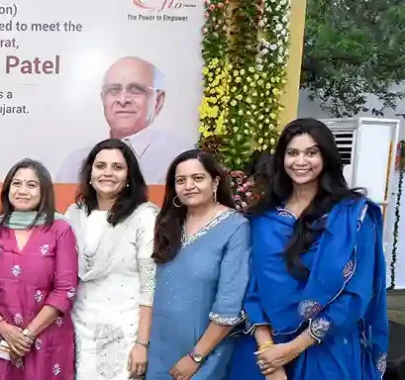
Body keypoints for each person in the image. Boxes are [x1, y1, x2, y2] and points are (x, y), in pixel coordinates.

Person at [229, 118, 389, 380]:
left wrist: (292, 349)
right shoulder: (263, 218)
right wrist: (271, 354)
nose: (300, 161)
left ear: (326, 157)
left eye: (311, 152)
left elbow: (356, 294)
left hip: (326, 352)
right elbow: (251, 287)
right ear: (281, 159)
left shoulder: (353, 216)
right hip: (263, 355)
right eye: (292, 153)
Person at [144, 149, 251, 380]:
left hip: (204, 353)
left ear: (215, 181)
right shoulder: (167, 224)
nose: (188, 185)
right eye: (181, 180)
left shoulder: (235, 227)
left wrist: (196, 357)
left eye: (197, 178)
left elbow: (229, 306)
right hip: (160, 349)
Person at [0, 158, 78, 379]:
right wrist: (4, 329)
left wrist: (27, 335)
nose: (22, 190)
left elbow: (65, 290)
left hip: (46, 339)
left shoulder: (61, 229)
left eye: (31, 185)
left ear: (44, 191)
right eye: (17, 184)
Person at [63, 139, 158, 380]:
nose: (107, 173)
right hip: (76, 327)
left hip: (122, 330)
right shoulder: (73, 215)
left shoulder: (143, 216)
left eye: (117, 167)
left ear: (129, 176)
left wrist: (142, 344)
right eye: (100, 166)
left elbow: (150, 286)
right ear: (90, 173)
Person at [56, 57, 195, 184]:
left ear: (158, 100)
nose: (122, 100)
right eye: (113, 90)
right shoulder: (75, 165)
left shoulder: (183, 158)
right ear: (103, 99)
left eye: (135, 90)